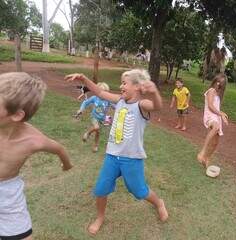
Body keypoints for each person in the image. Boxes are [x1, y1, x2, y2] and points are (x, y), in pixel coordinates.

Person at [65, 69, 168, 235]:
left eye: (124, 83)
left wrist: (154, 92)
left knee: (139, 191)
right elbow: (99, 92)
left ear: (137, 87)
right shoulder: (119, 100)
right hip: (112, 156)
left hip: (132, 159)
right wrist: (84, 79)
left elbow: (157, 106)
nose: (121, 86)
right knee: (101, 189)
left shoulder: (141, 106)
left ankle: (159, 203)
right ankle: (100, 217)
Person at [0, 72, 73, 240]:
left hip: (8, 195)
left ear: (16, 115)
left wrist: (66, 164)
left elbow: (59, 149)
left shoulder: (34, 141)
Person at [197, 73, 228, 172]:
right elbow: (210, 106)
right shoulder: (211, 91)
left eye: (221, 83)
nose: (219, 84)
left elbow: (216, 107)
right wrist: (221, 114)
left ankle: (206, 158)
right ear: (215, 81)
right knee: (215, 127)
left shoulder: (218, 95)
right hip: (210, 116)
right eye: (218, 81)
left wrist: (221, 115)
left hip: (216, 117)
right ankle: (202, 152)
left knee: (215, 143)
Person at [74, 82, 113, 153]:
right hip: (94, 117)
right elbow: (85, 103)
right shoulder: (94, 98)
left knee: (97, 132)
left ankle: (95, 146)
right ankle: (88, 133)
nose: (102, 94)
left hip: (102, 119)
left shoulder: (108, 100)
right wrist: (81, 109)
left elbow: (115, 106)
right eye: (100, 92)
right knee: (96, 128)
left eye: (105, 92)